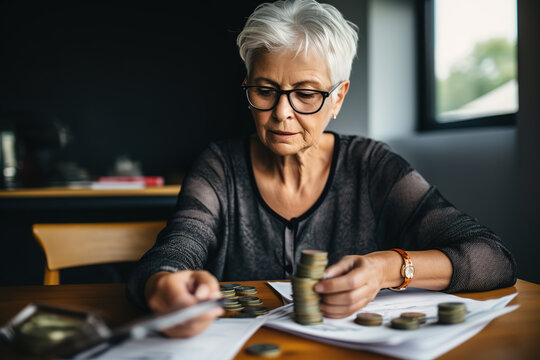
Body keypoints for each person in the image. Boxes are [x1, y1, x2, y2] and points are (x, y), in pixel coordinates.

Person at [128, 0, 516, 338]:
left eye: (307, 94)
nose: (282, 113)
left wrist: (386, 269)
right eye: (265, 91)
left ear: (337, 98)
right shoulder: (219, 167)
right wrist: (164, 286)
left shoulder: (372, 166)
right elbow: (178, 247)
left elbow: (492, 257)